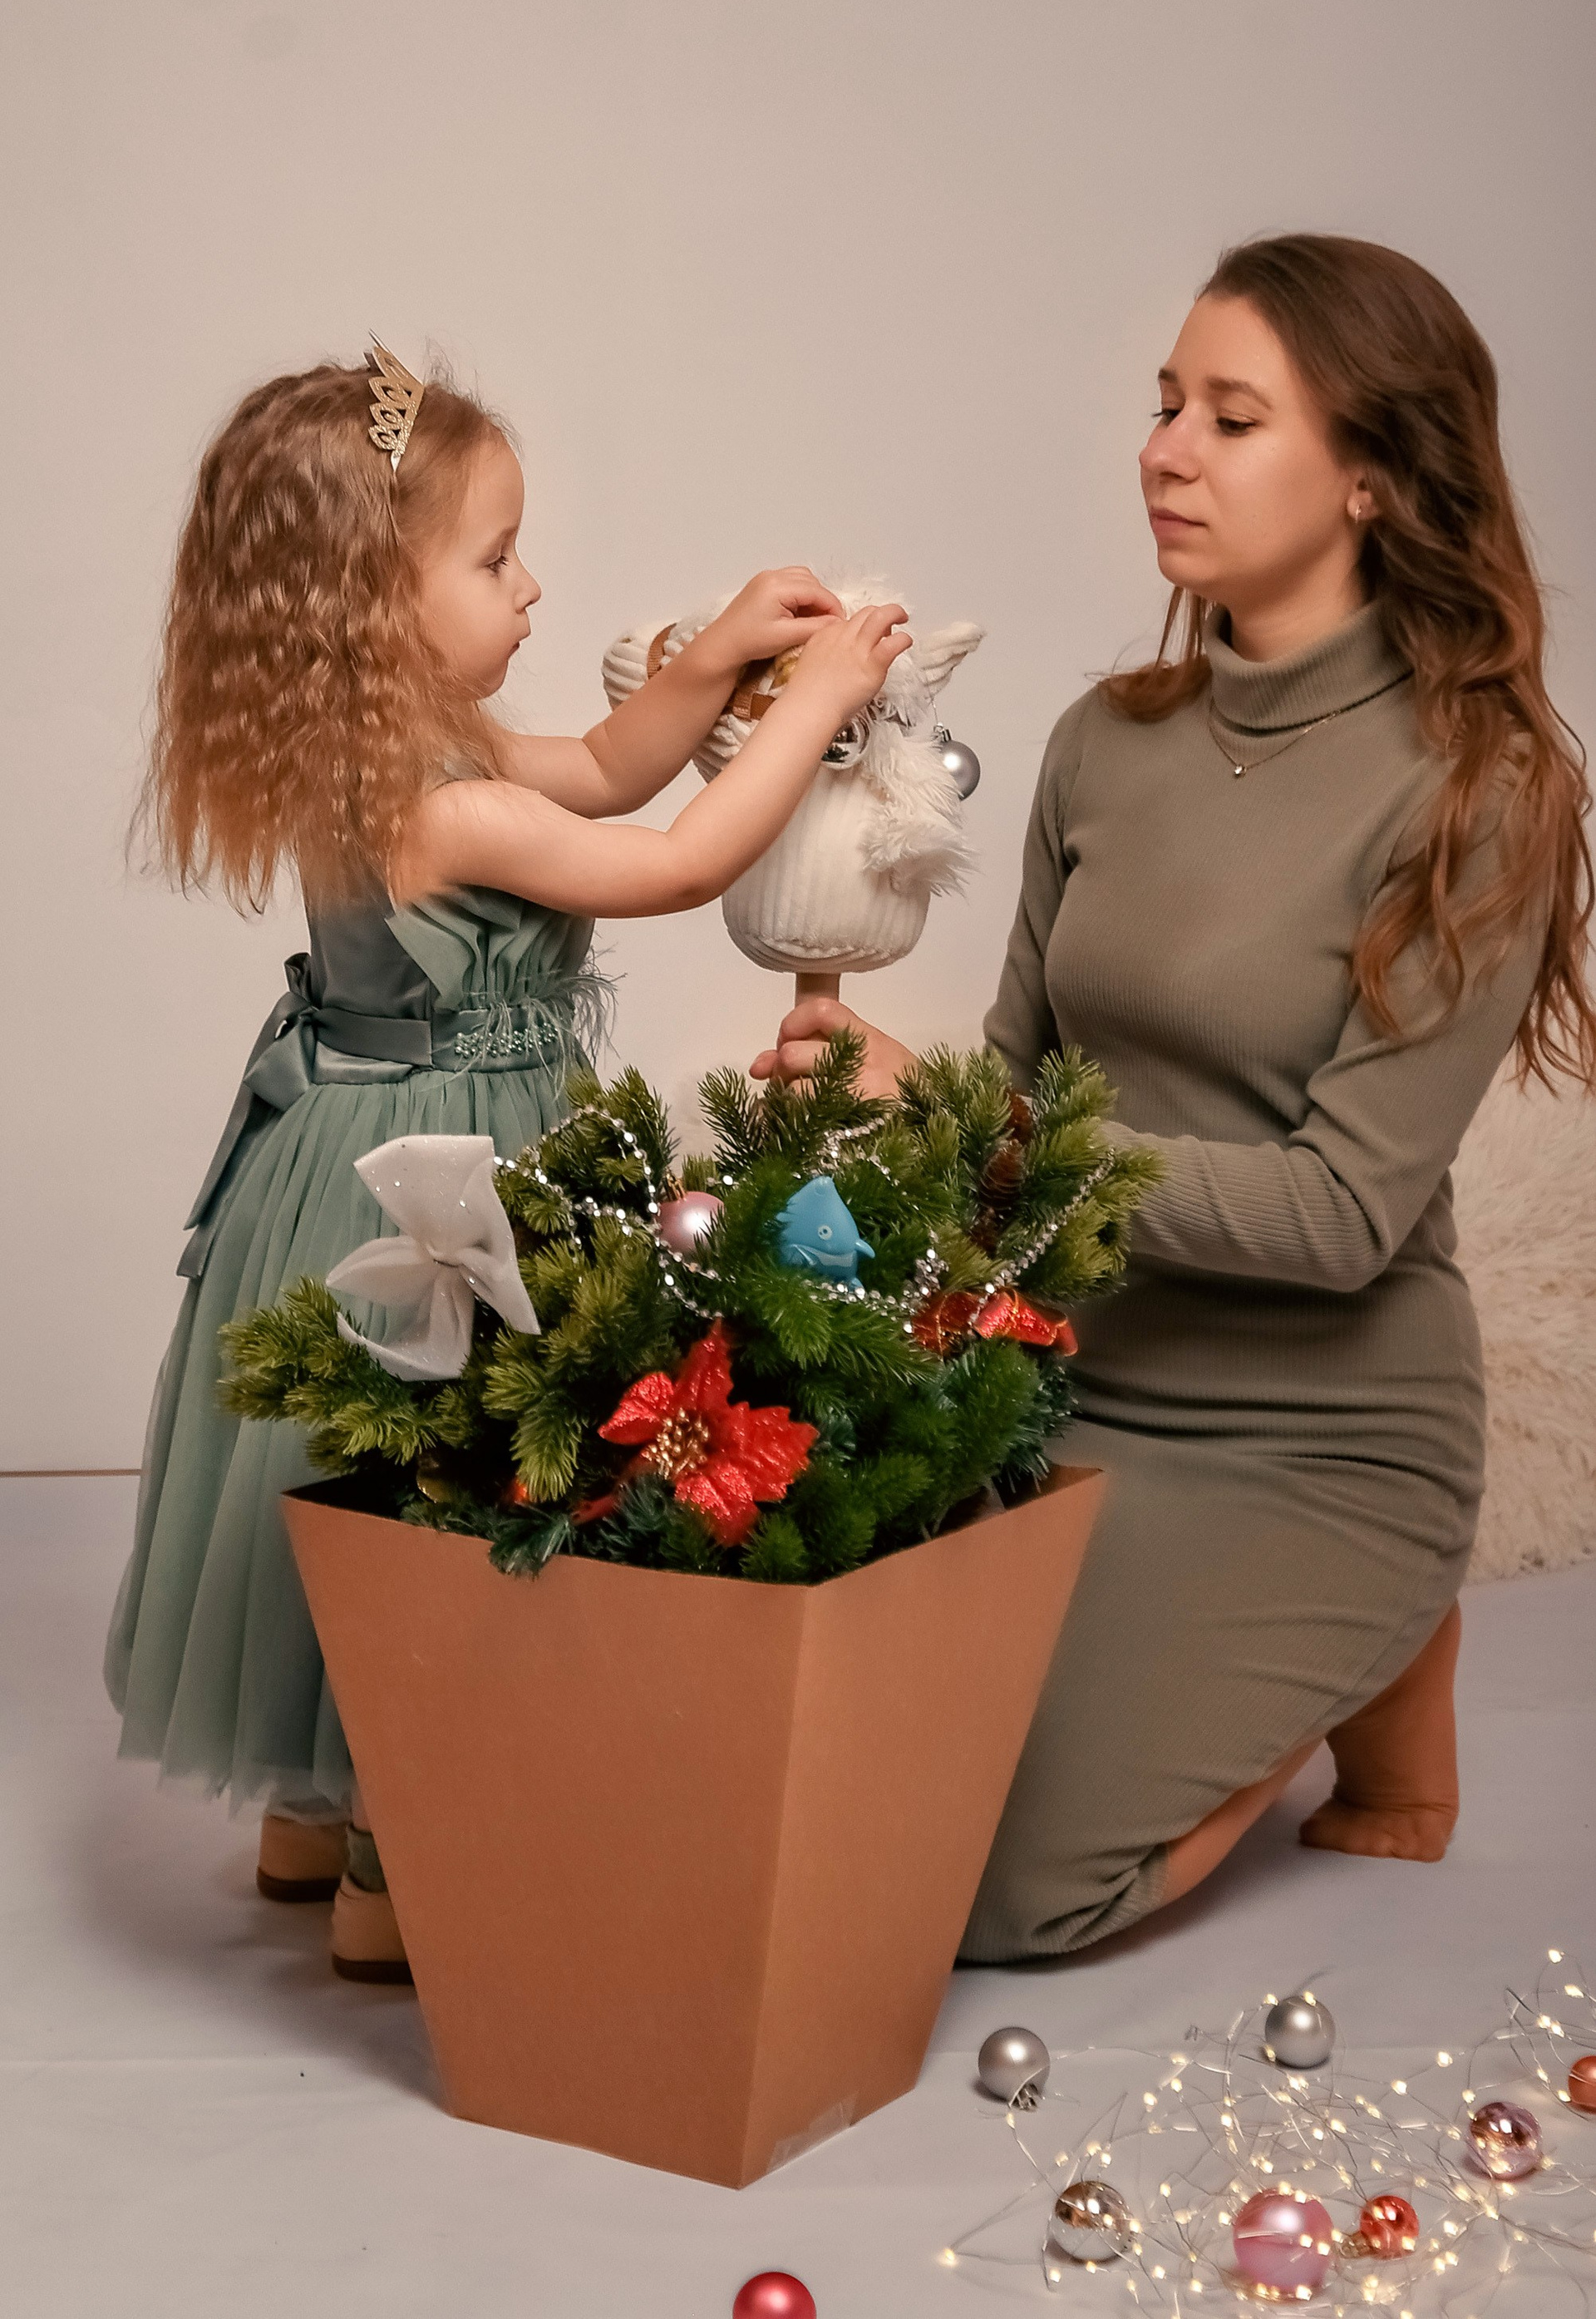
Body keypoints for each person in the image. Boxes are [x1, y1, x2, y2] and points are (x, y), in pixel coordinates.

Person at [752, 234, 1596, 1959]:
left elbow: (1342, 1217)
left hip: (1316, 1433)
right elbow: (1013, 1084)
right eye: (1164, 407)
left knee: (976, 1890)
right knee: (802, 1780)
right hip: (1056, 1387)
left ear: (1370, 475)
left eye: (1232, 416)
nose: (1167, 452)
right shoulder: (1107, 740)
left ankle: (1376, 1640)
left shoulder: (1483, 787)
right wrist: (867, 1114)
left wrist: (975, 1132)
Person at [106, 344, 910, 1979]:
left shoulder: (401, 749)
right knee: (441, 1477)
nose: (532, 586)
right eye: (493, 560)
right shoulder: (443, 805)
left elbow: (609, 766)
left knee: (340, 1465)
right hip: (445, 1182)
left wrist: (714, 658)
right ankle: (391, 1859)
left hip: (345, 1147)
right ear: (370, 606)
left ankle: (306, 1814)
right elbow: (673, 859)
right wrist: (822, 701)